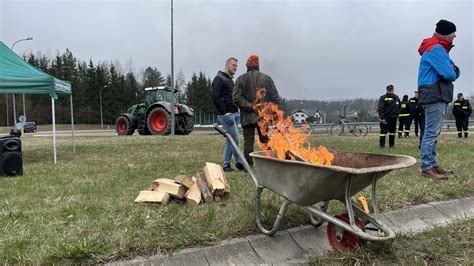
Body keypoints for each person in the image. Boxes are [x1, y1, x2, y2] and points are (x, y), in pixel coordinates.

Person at [418, 19, 460, 180]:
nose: (455, 35)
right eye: (453, 33)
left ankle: (432, 164)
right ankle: (427, 167)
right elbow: (450, 73)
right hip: (435, 93)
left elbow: (455, 70)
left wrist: (453, 69)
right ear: (446, 33)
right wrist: (453, 70)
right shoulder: (436, 49)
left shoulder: (439, 49)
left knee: (433, 132)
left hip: (437, 93)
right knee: (431, 132)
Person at [233, 54, 281, 166]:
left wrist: (250, 106)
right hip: (263, 117)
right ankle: (268, 163)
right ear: (258, 66)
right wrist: (270, 111)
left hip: (247, 117)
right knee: (265, 141)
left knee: (248, 143)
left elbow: (236, 98)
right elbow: (275, 99)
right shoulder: (266, 78)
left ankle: (248, 165)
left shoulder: (241, 79)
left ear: (247, 66)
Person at [212, 57, 244, 172]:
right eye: (233, 65)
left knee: (231, 140)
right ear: (227, 65)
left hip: (234, 114)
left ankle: (228, 165)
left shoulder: (230, 80)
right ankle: (238, 163)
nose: (235, 68)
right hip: (227, 116)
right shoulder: (219, 79)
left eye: (236, 66)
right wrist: (224, 112)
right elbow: (215, 97)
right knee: (235, 140)